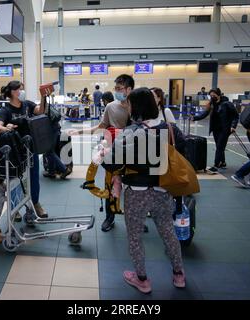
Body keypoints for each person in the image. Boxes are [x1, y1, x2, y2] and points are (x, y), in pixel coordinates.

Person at [102, 87, 187, 293]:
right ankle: (179, 275)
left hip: (136, 192)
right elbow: (182, 153)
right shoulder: (170, 129)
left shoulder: (132, 131)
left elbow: (111, 163)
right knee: (168, 232)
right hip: (163, 190)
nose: (127, 107)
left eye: (129, 104)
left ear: (136, 106)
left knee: (135, 237)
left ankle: (142, 279)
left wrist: (104, 153)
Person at [69, 75, 134, 232]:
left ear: (129, 89)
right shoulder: (111, 107)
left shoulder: (137, 105)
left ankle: (135, 219)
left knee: (133, 188)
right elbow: (101, 126)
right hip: (113, 152)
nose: (117, 91)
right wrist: (79, 131)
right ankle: (109, 218)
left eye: (120, 89)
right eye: (116, 88)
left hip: (134, 152)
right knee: (110, 185)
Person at [0, 80, 48, 220]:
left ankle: (35, 204)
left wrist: (43, 97)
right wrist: (6, 128)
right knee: (15, 179)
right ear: (12, 92)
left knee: (34, 177)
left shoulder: (27, 104)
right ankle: (15, 207)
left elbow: (40, 111)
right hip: (15, 151)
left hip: (31, 147)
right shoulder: (6, 110)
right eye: (20, 89)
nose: (22, 92)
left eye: (23, 89)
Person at [192, 88, 238, 174]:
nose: (212, 97)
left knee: (220, 146)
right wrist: (195, 118)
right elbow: (205, 114)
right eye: (211, 95)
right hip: (215, 129)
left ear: (219, 94)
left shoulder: (227, 104)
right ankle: (223, 163)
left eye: (214, 95)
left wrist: (233, 126)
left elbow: (235, 116)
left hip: (225, 129)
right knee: (219, 146)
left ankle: (216, 165)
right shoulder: (212, 104)